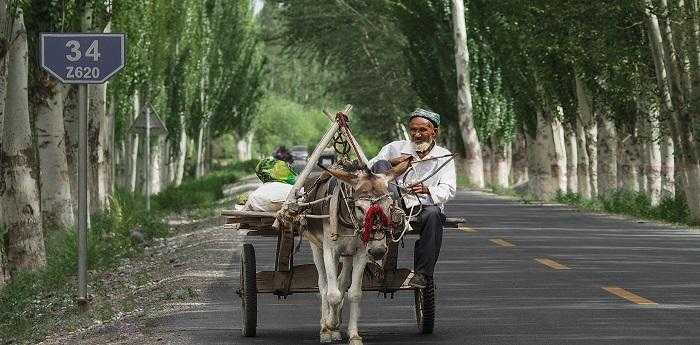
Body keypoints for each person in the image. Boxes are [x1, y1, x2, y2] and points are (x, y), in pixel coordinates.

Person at [368, 108, 456, 289]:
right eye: (413, 130)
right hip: (391, 203)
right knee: (381, 164)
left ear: (434, 132)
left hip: (423, 206)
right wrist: (392, 163)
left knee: (434, 215)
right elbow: (368, 169)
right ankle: (371, 261)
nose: (417, 134)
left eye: (422, 130)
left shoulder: (443, 156)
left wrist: (427, 190)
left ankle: (422, 275)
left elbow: (448, 189)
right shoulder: (394, 148)